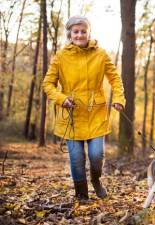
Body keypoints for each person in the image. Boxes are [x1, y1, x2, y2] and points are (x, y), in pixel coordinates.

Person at [42, 16, 125, 201]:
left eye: (83, 31)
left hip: (96, 113)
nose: (80, 35)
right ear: (70, 34)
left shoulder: (100, 54)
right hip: (71, 116)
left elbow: (115, 79)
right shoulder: (61, 57)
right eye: (76, 31)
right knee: (77, 158)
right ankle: (81, 193)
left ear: (89, 33)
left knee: (97, 155)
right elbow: (48, 84)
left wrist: (119, 98)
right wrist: (61, 99)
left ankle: (96, 180)